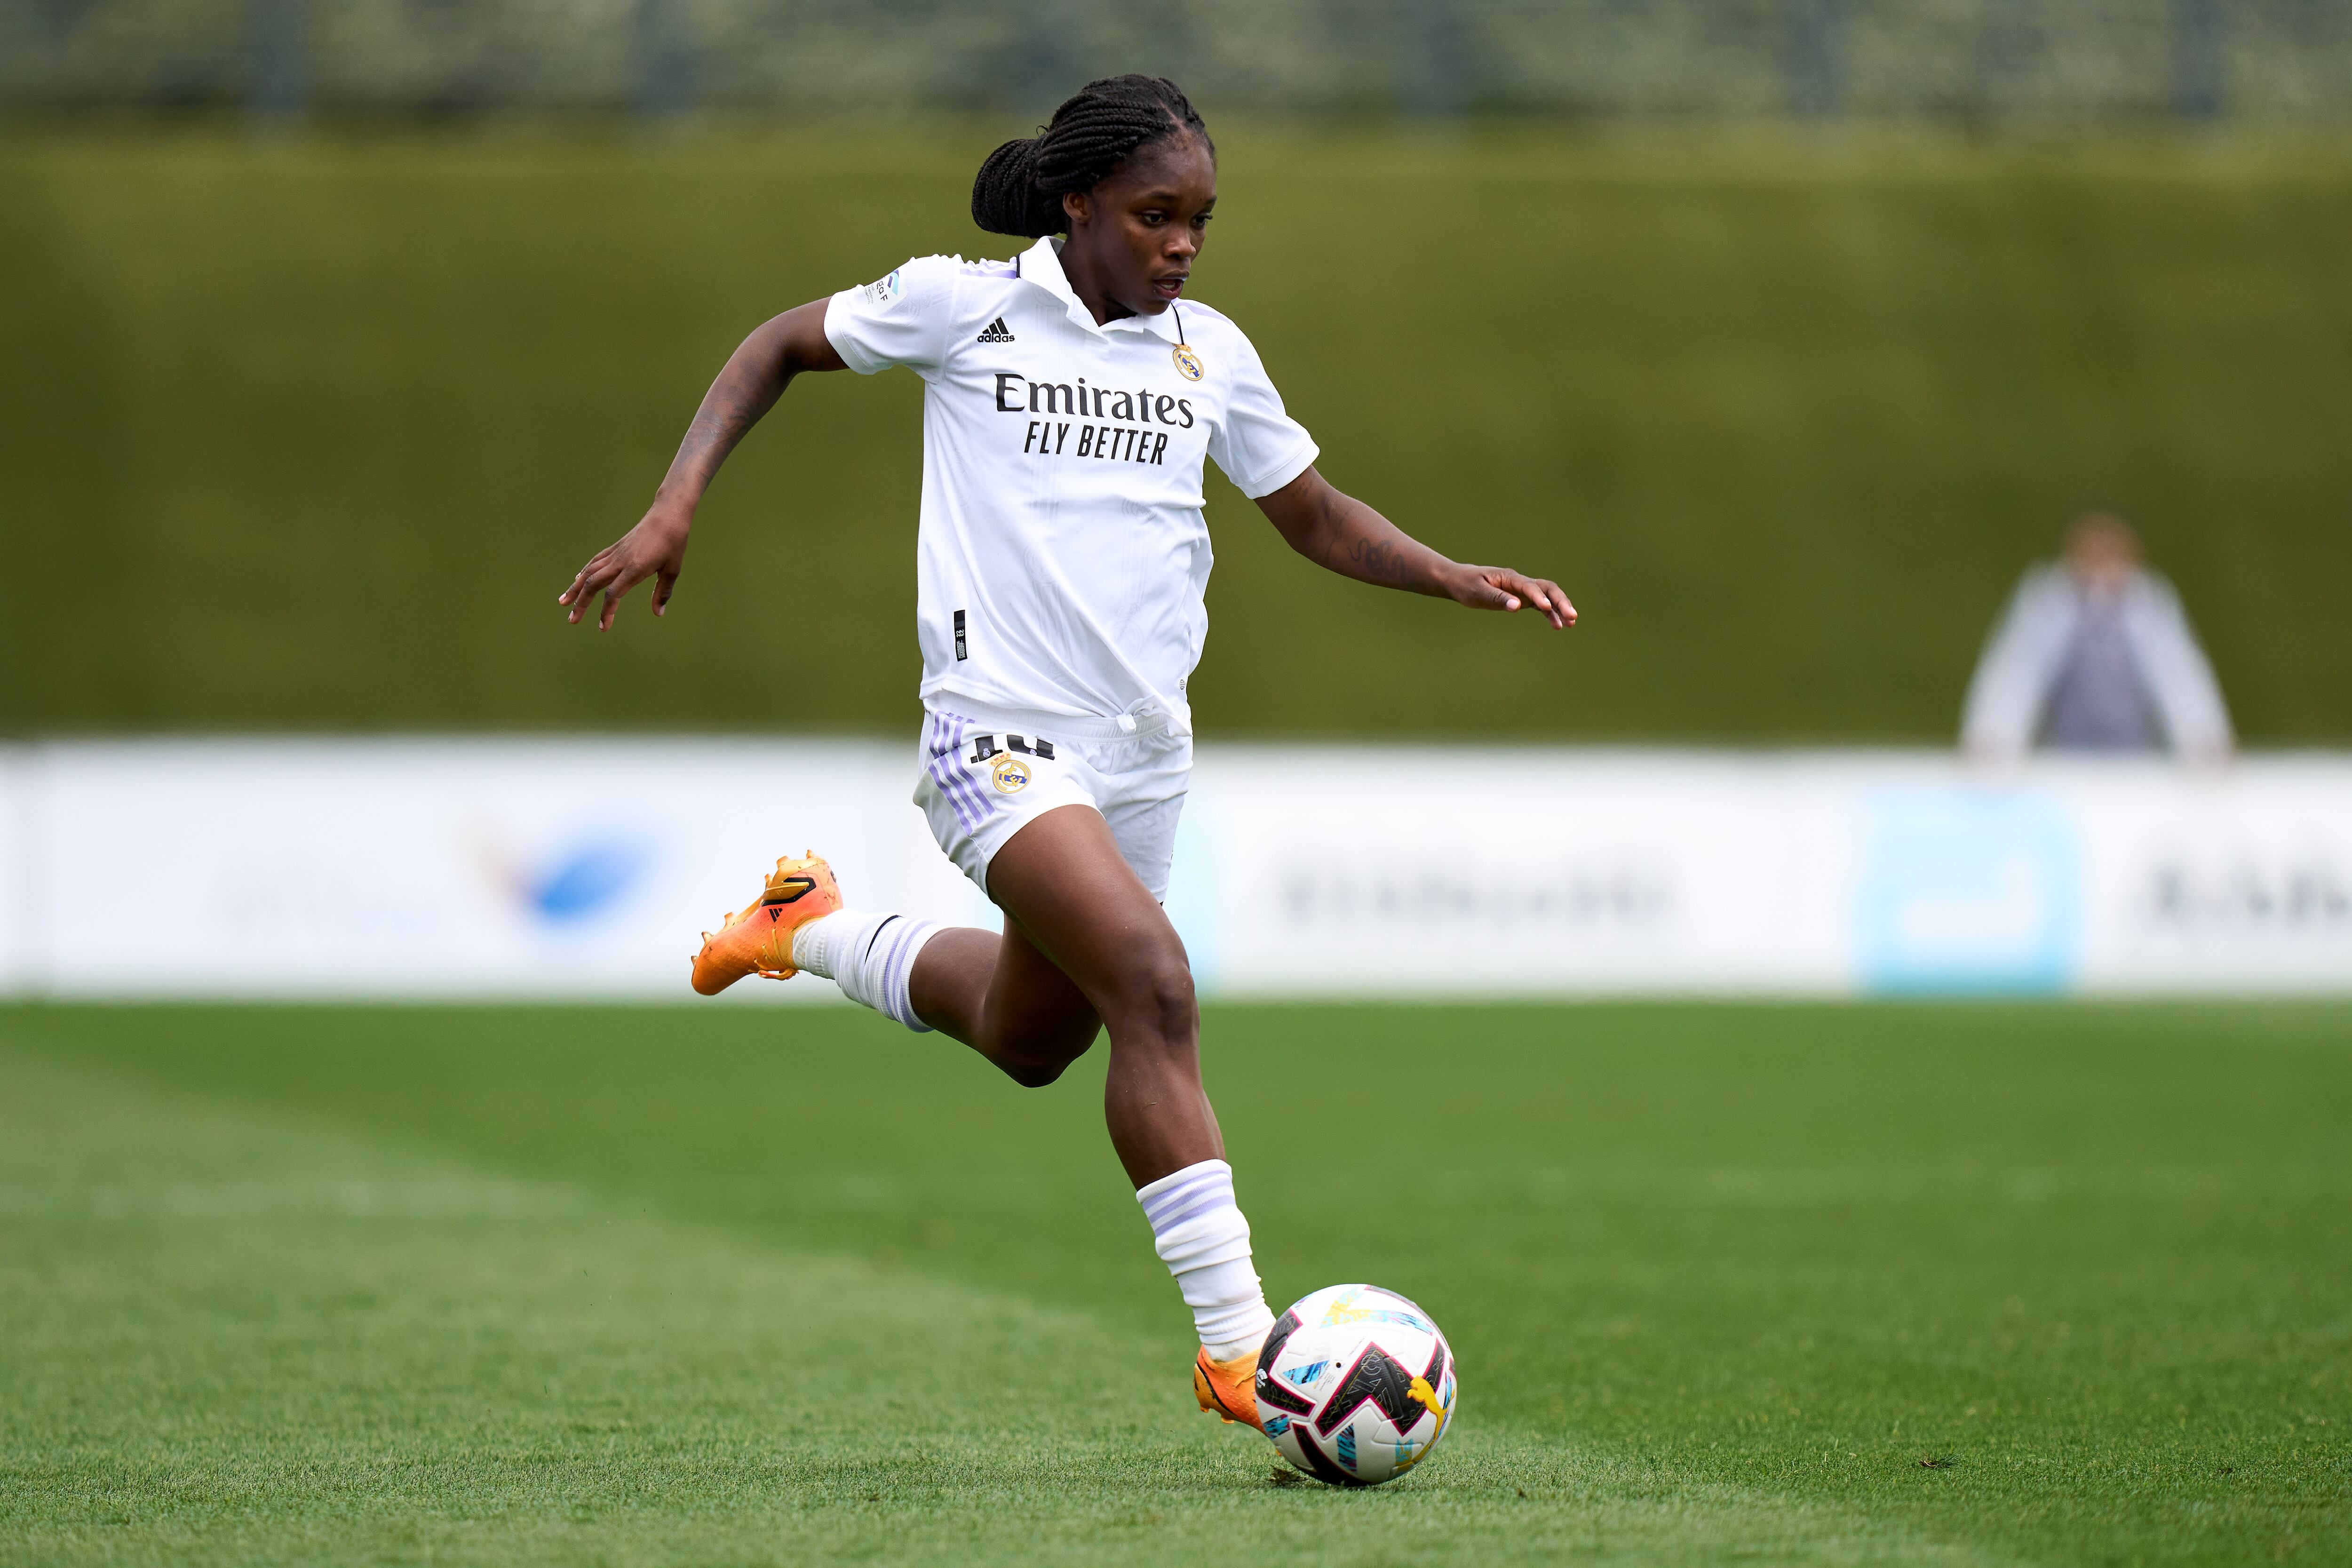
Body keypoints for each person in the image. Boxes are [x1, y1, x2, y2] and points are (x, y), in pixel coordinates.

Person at [556, 75, 1572, 1432]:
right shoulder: (961, 302)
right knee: (1154, 982)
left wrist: (1446, 571)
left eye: (1203, 220)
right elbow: (775, 345)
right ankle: (1239, 1348)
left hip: (1142, 751)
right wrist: (672, 507)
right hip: (996, 729)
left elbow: (1312, 513)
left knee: (1035, 1037)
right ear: (1081, 202)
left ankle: (803, 925)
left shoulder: (1208, 349)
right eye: (1159, 216)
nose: (1184, 245)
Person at [1961, 511, 2232, 763]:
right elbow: (2016, 672)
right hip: (2064, 759)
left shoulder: (2150, 603)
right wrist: (1994, 734)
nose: (2102, 563)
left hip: (2135, 760)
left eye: (2111, 552)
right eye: (2093, 552)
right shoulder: (2047, 601)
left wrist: (2203, 737)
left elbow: (2179, 674)